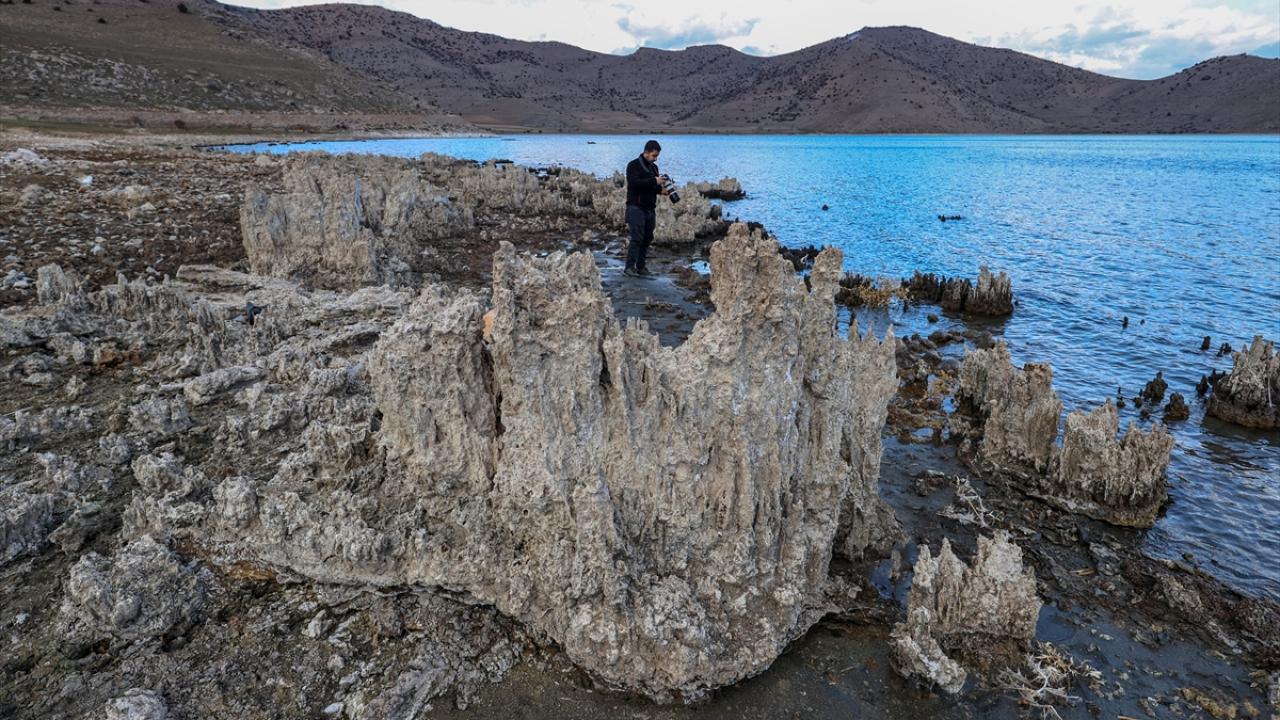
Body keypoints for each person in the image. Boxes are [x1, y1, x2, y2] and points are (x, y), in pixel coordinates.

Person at [624, 140, 670, 278]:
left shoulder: (654, 168)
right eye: (654, 155)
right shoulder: (633, 165)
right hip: (635, 207)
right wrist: (654, 181)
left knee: (647, 238)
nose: (655, 159)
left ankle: (641, 267)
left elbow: (651, 187)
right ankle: (629, 268)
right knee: (637, 238)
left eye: (657, 156)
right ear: (646, 152)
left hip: (650, 208)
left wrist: (661, 190)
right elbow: (634, 184)